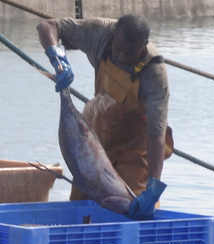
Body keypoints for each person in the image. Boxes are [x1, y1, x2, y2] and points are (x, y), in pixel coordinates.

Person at [37, 13, 173, 220]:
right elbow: (47, 27)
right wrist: (58, 58)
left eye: (130, 53)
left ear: (144, 45)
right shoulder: (100, 32)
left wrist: (153, 187)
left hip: (134, 147)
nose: (121, 57)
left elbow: (156, 133)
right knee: (82, 209)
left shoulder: (155, 74)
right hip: (95, 136)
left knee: (134, 213)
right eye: (118, 50)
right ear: (113, 35)